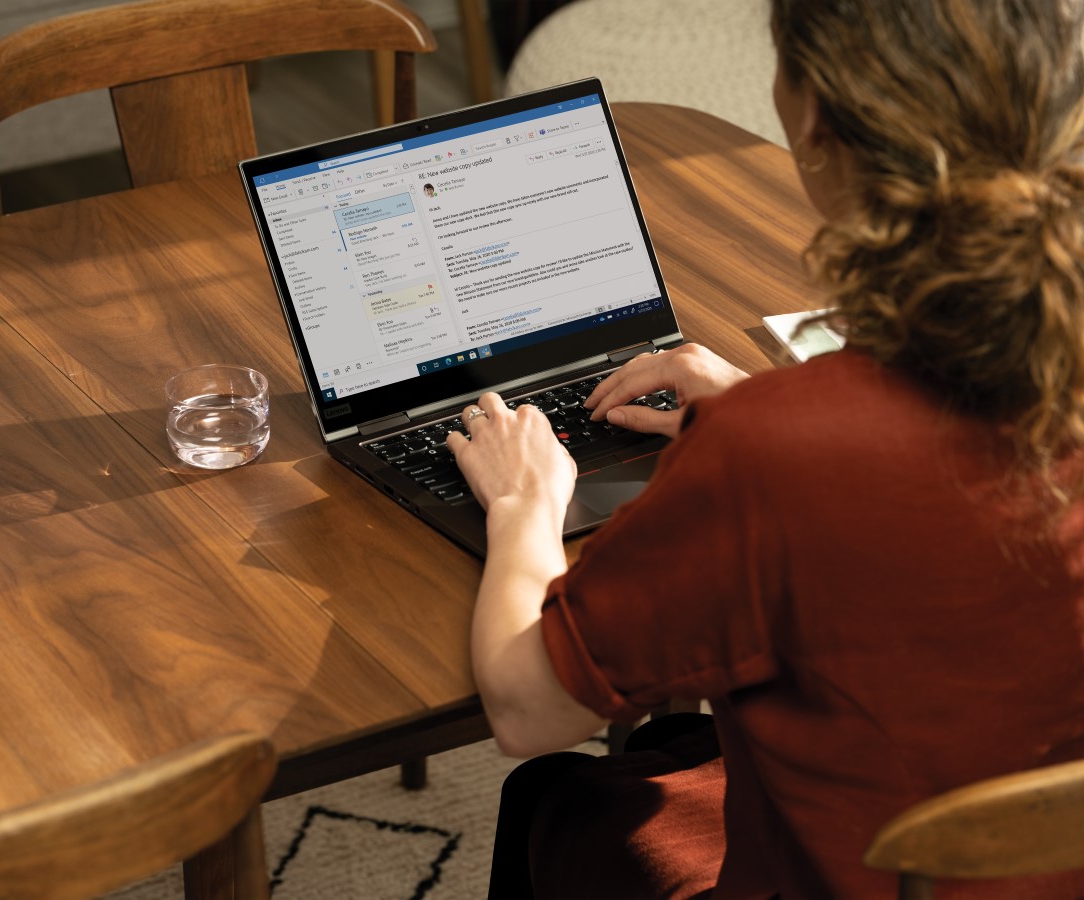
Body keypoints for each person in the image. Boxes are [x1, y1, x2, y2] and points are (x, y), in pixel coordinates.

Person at [446, 0, 1084, 896]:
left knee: (561, 797)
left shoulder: (771, 454)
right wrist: (785, 422)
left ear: (811, 112)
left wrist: (523, 503)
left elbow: (525, 707)